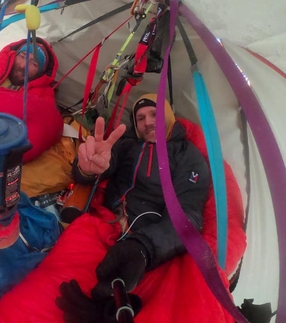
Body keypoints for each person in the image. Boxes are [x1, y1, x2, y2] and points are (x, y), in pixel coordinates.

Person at [56, 93, 210, 322]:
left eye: (154, 114)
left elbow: (188, 215)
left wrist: (143, 247)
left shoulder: (187, 156)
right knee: (55, 287)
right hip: (102, 227)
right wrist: (87, 169)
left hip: (149, 245)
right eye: (140, 117)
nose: (147, 121)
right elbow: (100, 166)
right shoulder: (127, 145)